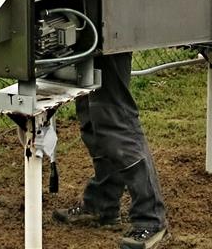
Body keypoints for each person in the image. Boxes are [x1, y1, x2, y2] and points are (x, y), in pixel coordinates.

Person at [53, 52, 167, 249]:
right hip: (87, 39)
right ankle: (102, 201)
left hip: (110, 39)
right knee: (91, 115)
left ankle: (151, 218)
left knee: (114, 116)